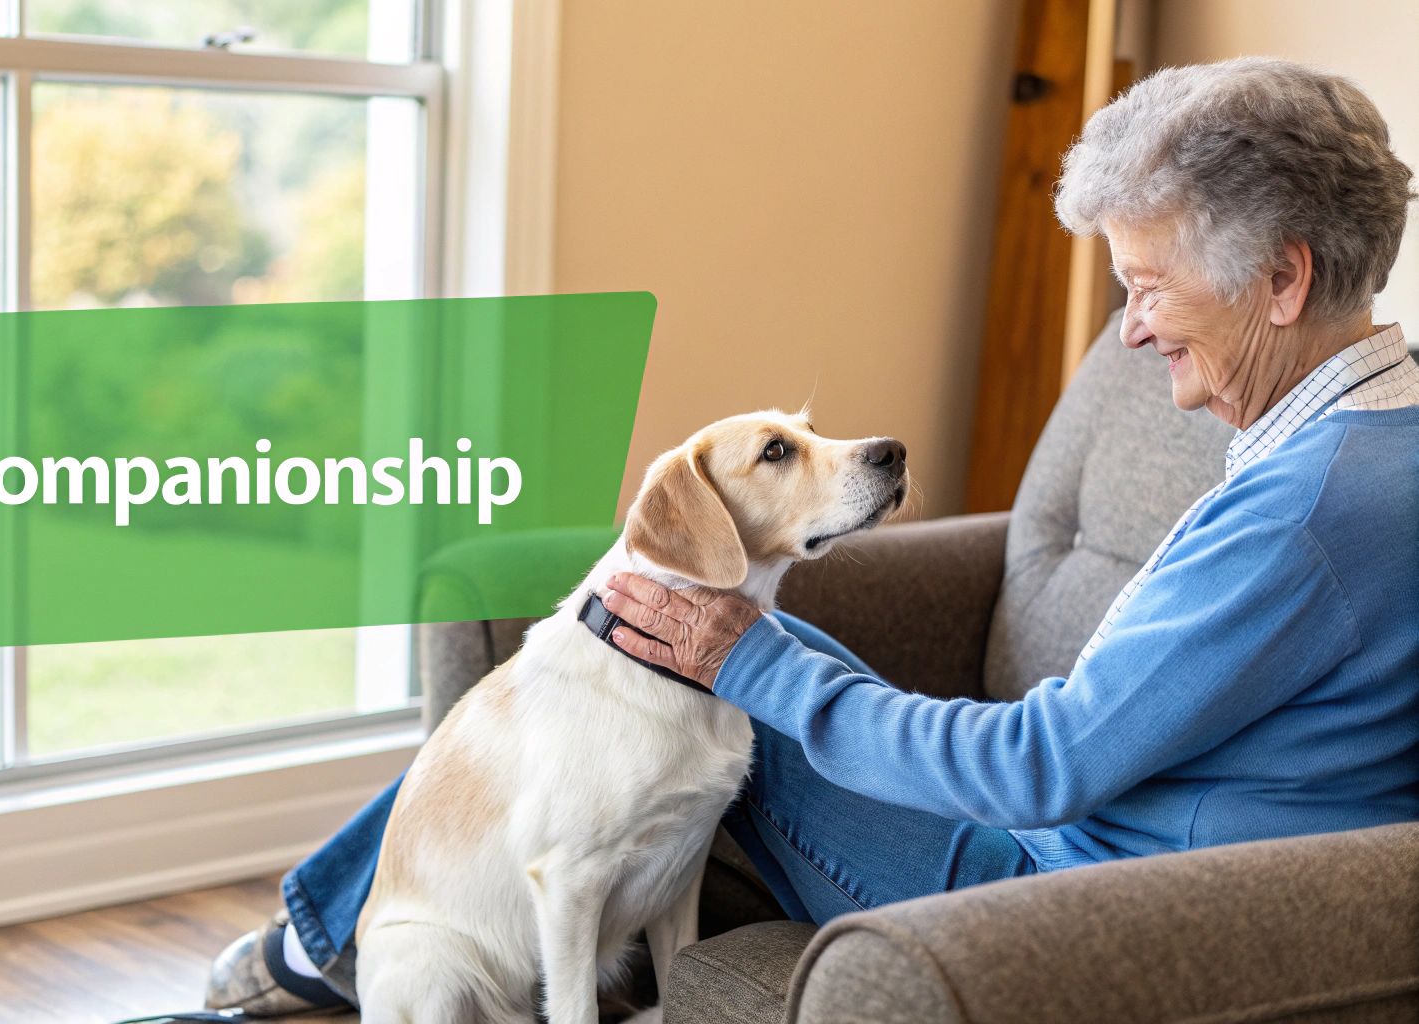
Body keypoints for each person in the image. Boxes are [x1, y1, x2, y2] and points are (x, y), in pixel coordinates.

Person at [203, 57, 1419, 1016]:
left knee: (653, 675)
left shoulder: (1309, 508)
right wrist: (745, 650)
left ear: (1282, 279)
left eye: (1145, 286)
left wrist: (744, 660)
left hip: (1073, 891)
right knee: (661, 660)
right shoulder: (1370, 445)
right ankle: (333, 926)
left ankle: (317, 937)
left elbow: (1038, 765)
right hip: (1107, 838)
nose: (1133, 330)